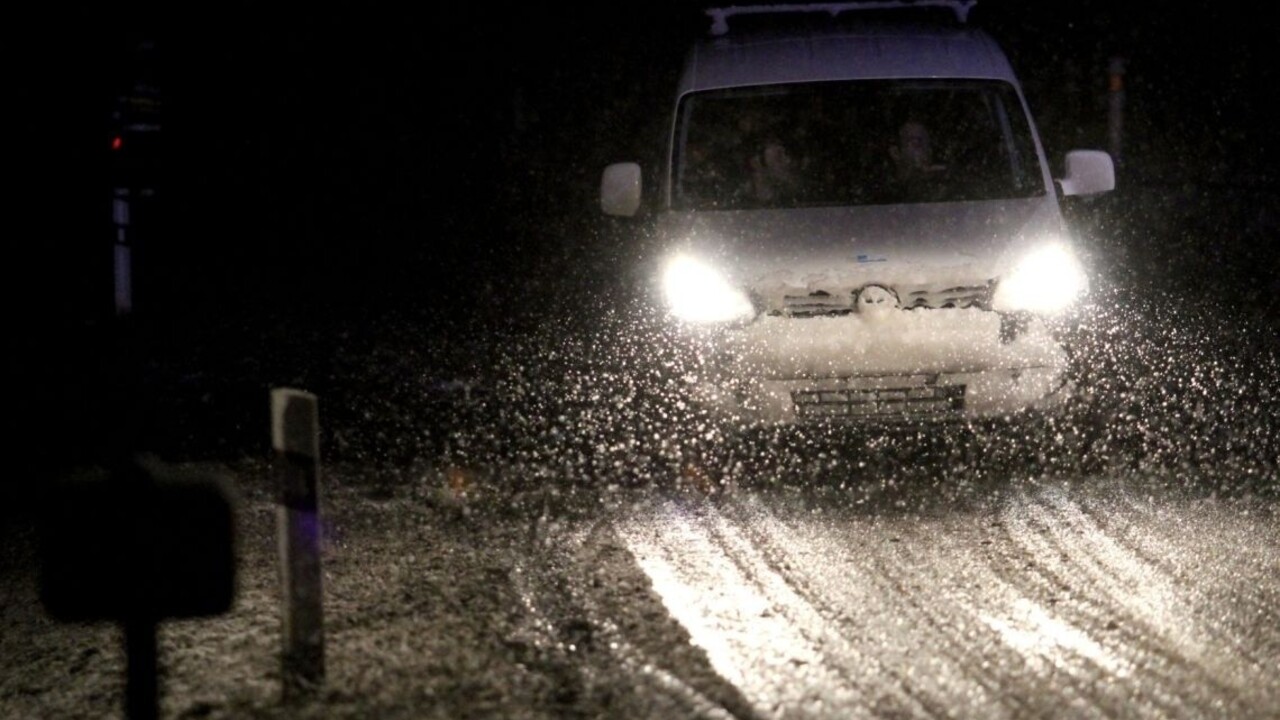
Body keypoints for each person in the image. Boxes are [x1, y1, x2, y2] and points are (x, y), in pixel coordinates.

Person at [888, 119, 948, 199]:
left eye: (927, 144)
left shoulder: (944, 185)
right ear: (895, 153)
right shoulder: (883, 192)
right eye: (915, 143)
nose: (924, 150)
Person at [747, 135, 805, 204]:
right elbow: (764, 199)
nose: (787, 160)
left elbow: (797, 191)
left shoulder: (794, 179)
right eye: (778, 157)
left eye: (784, 154)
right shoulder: (756, 181)